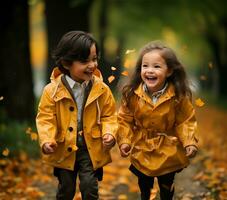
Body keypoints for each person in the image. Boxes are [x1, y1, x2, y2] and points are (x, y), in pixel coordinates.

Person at [36, 30, 117, 200]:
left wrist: (109, 132)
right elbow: (45, 118)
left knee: (89, 186)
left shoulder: (102, 89)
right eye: (84, 61)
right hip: (64, 146)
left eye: (94, 59)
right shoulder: (52, 91)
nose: (92, 65)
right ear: (66, 63)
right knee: (66, 188)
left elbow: (109, 115)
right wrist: (47, 139)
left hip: (90, 147)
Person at [117, 41, 198, 200]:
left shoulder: (178, 97)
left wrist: (189, 141)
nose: (149, 71)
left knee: (166, 183)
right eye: (145, 66)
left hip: (168, 147)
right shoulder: (133, 95)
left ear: (169, 71)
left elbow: (186, 121)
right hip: (143, 146)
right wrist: (124, 140)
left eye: (156, 67)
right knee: (144, 182)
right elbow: (124, 120)